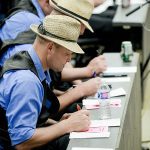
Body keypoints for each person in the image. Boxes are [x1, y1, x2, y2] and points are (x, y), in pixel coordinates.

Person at [0, 15, 94, 150]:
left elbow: (31, 119)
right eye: (67, 53)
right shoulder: (27, 81)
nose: (69, 60)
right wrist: (66, 126)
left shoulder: (32, 63)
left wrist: (57, 124)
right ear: (50, 48)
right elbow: (21, 142)